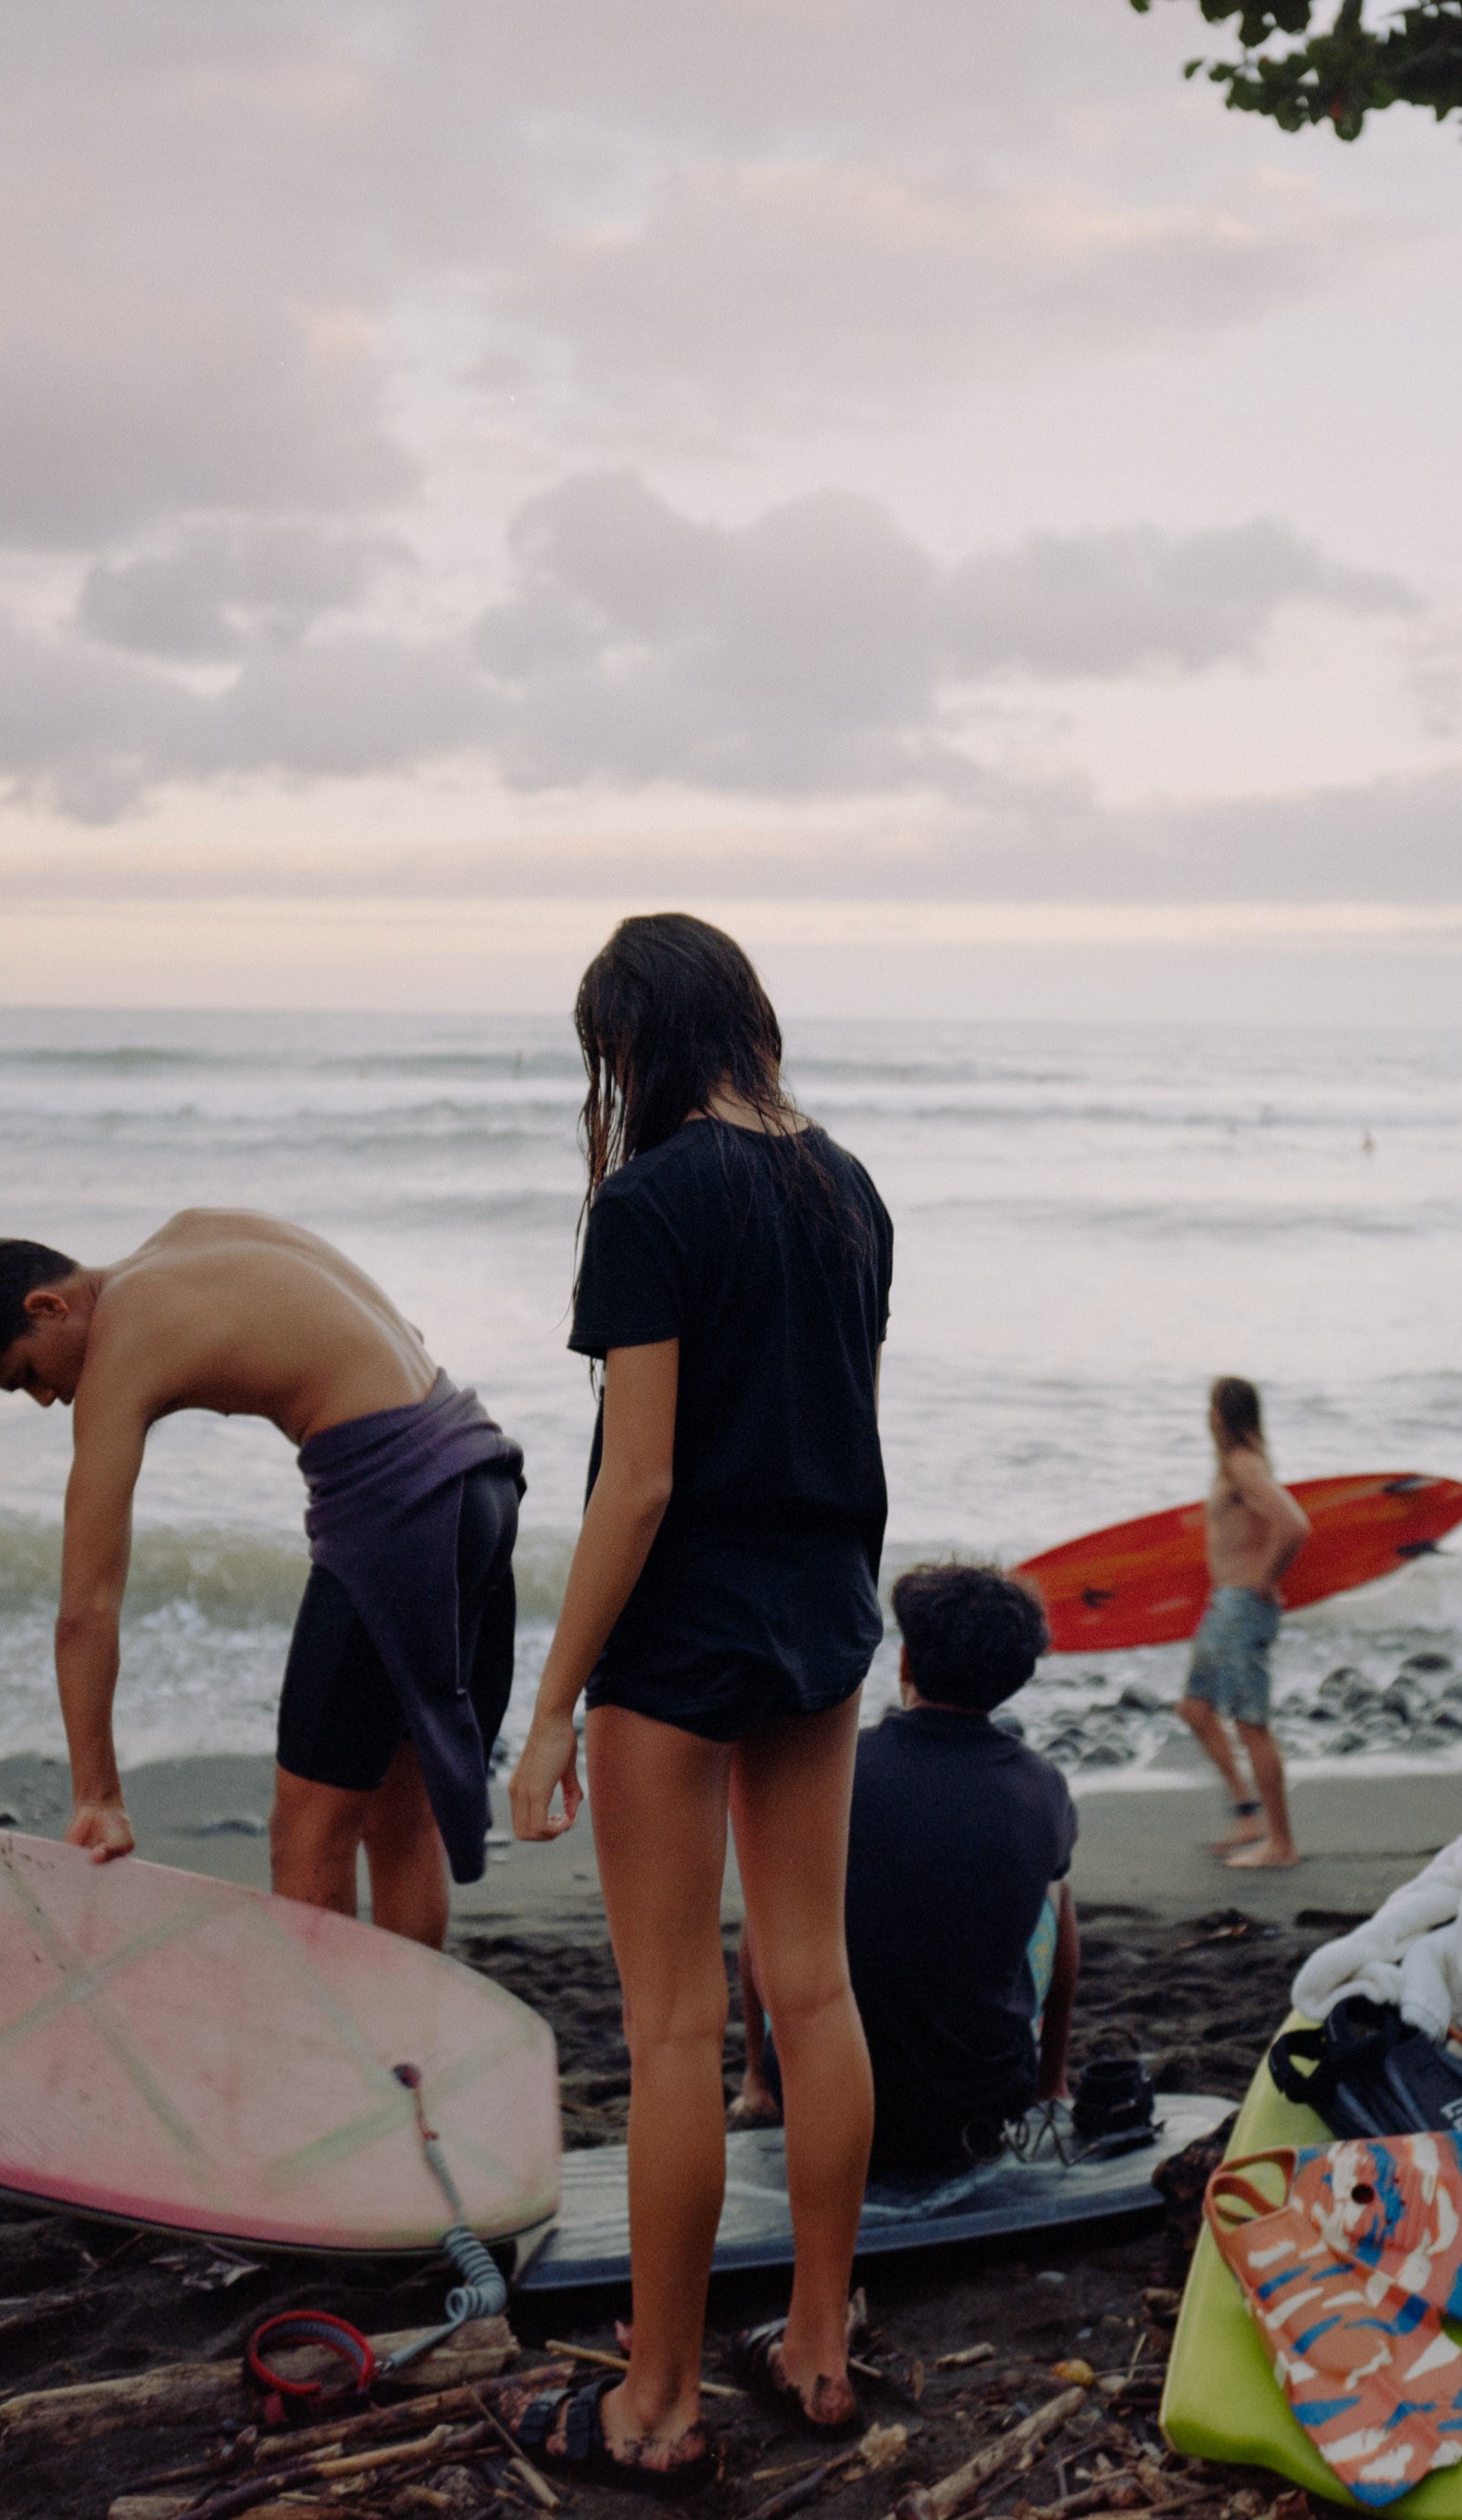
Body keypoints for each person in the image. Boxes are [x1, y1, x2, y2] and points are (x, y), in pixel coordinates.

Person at [504, 915, 893, 2480]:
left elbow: (641, 1480)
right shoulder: (849, 1186)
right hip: (824, 1614)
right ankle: (817, 2346)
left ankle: (656, 2403)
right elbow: (838, 1420)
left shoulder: (650, 1198)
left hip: (681, 1639)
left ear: (635, 1042)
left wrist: (552, 1705)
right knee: (814, 1988)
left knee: (674, 2026)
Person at [0, 1212, 520, 1946]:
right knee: (396, 1816)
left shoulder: (121, 1345)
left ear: (48, 1307)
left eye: (28, 1377)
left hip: (401, 1508)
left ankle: (322, 2021)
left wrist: (97, 1796)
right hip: (478, 1477)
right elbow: (400, 1333)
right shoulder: (194, 1232)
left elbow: (87, 1606)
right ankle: (408, 2018)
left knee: (305, 1834)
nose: (48, 1398)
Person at [729, 1564, 1081, 2174]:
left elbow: (764, 1936)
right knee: (1058, 1895)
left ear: (905, 1664)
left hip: (818, 2096)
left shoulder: (834, 1771)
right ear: (1014, 1680)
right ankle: (1053, 2083)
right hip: (982, 2105)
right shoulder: (1044, 1787)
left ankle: (757, 2083)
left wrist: (765, 2083)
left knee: (773, 1902)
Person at [1177, 1377, 1312, 1870]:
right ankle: (1248, 1815)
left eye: (1211, 1408)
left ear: (1220, 1415)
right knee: (1196, 1709)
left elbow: (1294, 1525)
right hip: (1225, 1605)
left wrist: (1264, 1579)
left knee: (1251, 1725)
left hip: (1241, 1606)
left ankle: (1281, 1844)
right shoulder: (1240, 1465)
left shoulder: (1242, 1465)